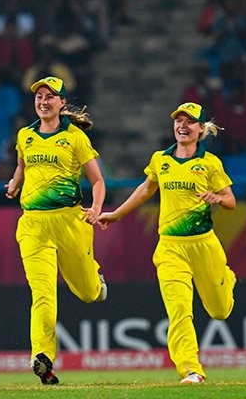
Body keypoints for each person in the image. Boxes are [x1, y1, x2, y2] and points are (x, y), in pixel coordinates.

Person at [98, 102, 237, 384]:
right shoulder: (160, 159)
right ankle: (191, 369)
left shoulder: (210, 163)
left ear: (200, 129)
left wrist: (217, 198)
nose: (182, 126)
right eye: (178, 121)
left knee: (220, 311)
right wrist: (116, 214)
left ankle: (228, 278)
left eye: (189, 122)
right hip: (170, 248)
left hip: (204, 245)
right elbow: (145, 189)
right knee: (179, 310)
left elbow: (231, 200)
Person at [5, 76, 107, 385]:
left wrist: (96, 208)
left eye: (50, 96)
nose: (43, 101)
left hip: (70, 221)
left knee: (88, 293)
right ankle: (43, 358)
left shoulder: (75, 137)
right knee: (42, 294)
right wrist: (15, 183)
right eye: (39, 96)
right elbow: (22, 166)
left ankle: (96, 282)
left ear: (62, 103)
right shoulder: (25, 135)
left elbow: (97, 180)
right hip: (33, 224)